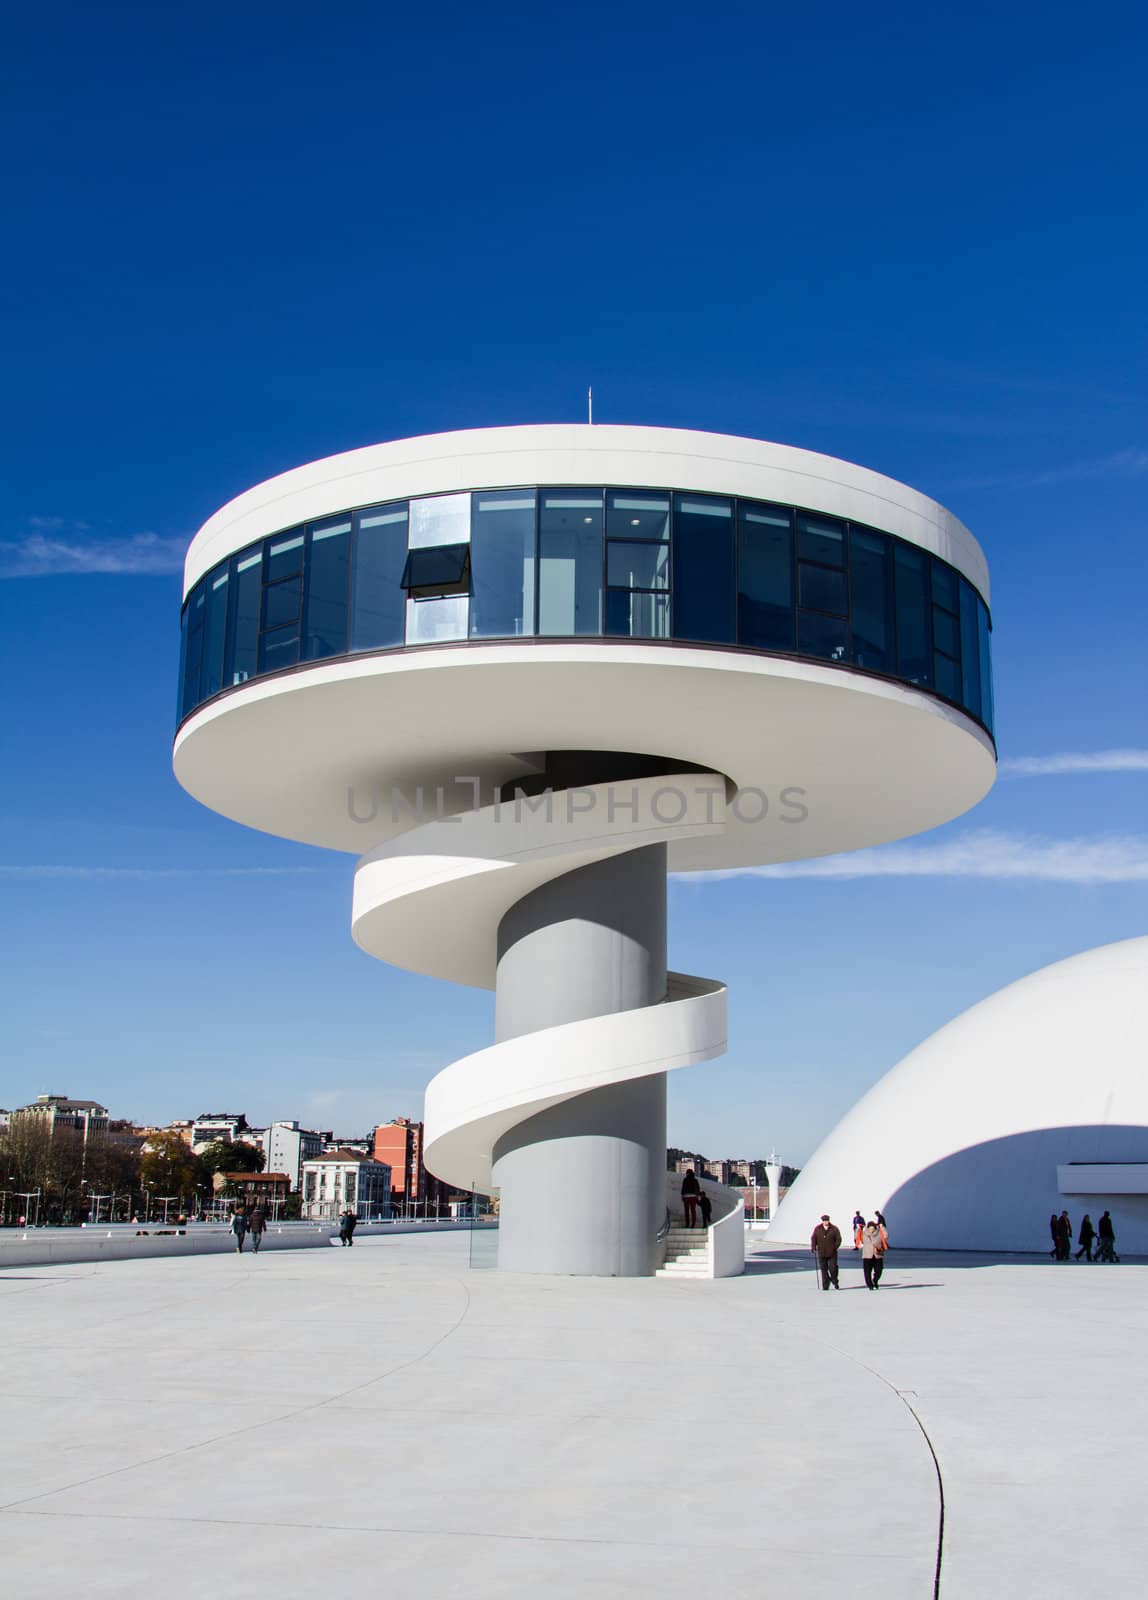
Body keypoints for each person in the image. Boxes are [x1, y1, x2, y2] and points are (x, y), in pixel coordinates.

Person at [811, 1214, 842, 1290]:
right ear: (822, 1221)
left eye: (827, 1220)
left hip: (832, 1253)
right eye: (824, 1221)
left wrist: (835, 1247)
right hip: (821, 1252)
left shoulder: (834, 1229)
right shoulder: (818, 1229)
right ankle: (825, 1286)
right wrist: (813, 1247)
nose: (826, 1222)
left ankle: (834, 1280)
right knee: (824, 1270)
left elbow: (839, 1239)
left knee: (833, 1268)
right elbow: (813, 1238)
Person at [861, 1220, 885, 1290]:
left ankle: (875, 1280)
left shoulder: (879, 1233)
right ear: (867, 1228)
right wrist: (858, 1229)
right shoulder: (864, 1233)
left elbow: (886, 1235)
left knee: (879, 1270)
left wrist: (882, 1227)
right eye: (870, 1228)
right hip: (867, 1255)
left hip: (877, 1254)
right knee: (867, 1272)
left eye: (873, 1228)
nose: (871, 1229)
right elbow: (858, 1238)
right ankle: (870, 1285)